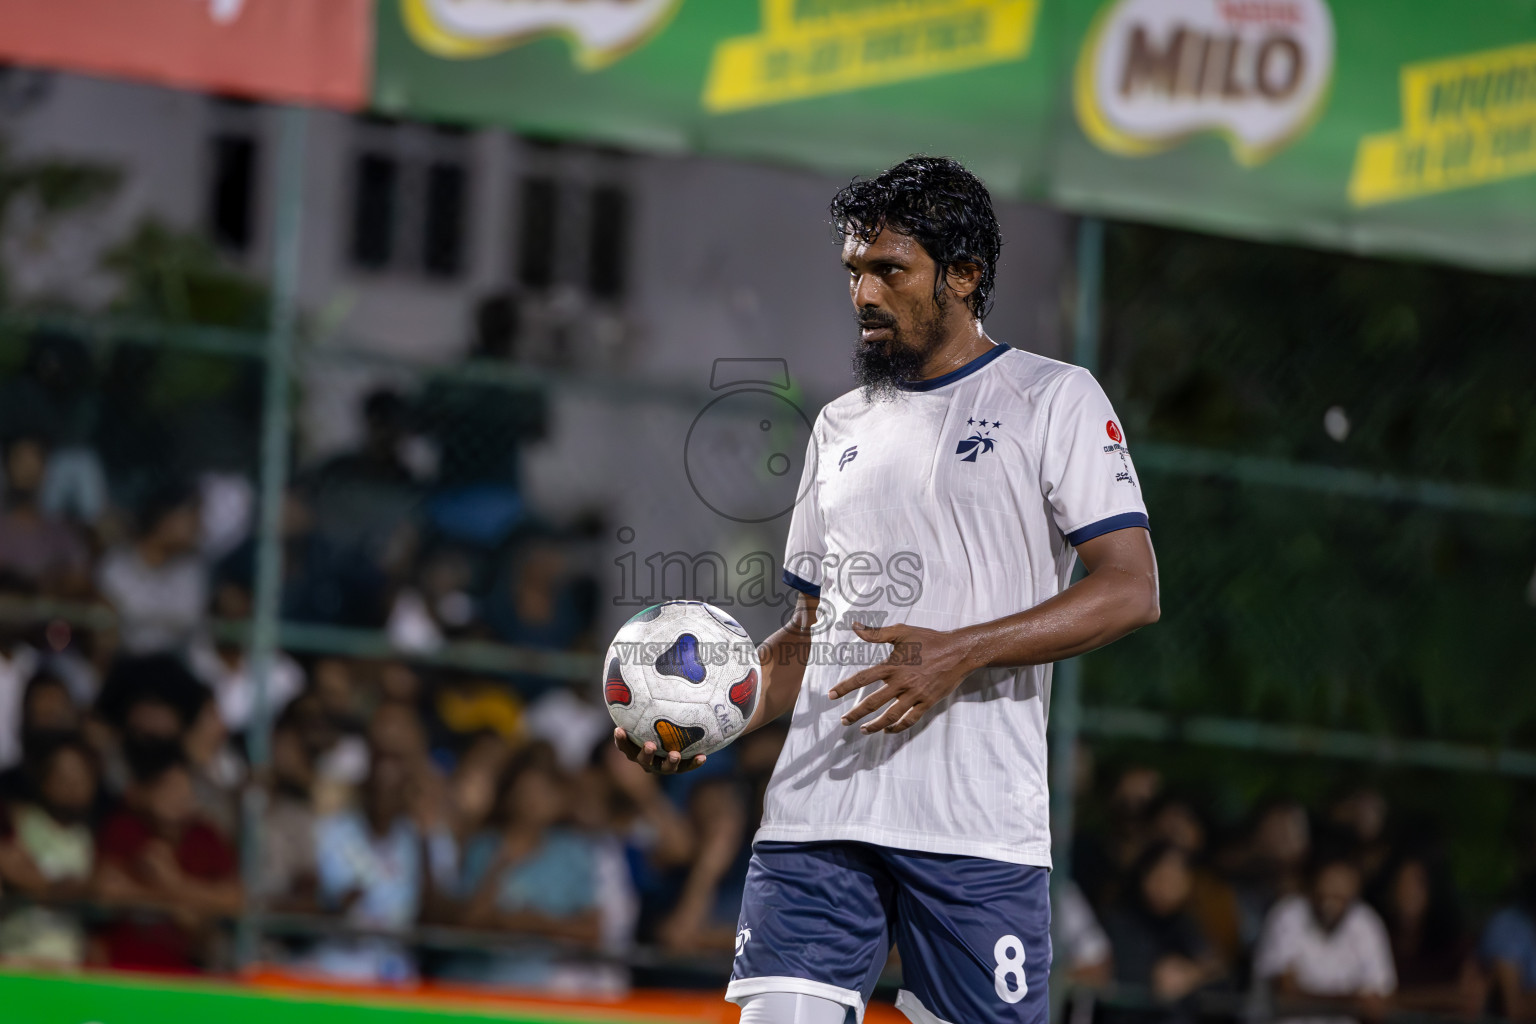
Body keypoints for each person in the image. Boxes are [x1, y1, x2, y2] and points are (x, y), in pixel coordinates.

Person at [615, 156, 1161, 1024]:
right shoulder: (840, 425)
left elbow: (1131, 588)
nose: (864, 293)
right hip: (817, 816)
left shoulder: (1052, 398)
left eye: (889, 271)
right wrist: (714, 717)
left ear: (966, 276)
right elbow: (806, 633)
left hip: (973, 828)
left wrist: (957, 653)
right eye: (854, 271)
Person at [307, 752, 455, 983]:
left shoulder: (425, 840)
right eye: (377, 786)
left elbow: (434, 914)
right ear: (365, 788)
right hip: (339, 964)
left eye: (393, 788)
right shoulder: (333, 832)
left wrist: (422, 838)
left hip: (398, 968)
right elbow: (324, 899)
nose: (383, 795)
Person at [93, 744, 242, 972]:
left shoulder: (205, 835)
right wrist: (184, 905)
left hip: (190, 971)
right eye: (168, 787)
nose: (179, 797)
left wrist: (172, 881)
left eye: (185, 787)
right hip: (124, 969)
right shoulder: (124, 829)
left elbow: (233, 899)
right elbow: (108, 889)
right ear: (140, 792)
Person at [1253, 850, 1396, 1024]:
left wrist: (1364, 1003)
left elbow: (1379, 1002)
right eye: (1327, 889)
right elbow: (1286, 997)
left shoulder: (1366, 923)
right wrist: (1353, 1001)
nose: (1331, 902)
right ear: (1313, 885)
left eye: (1340, 894)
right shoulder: (1287, 915)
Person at [0, 736, 97, 965]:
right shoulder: (19, 824)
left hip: (68, 962)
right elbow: (17, 874)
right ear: (44, 778)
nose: (71, 784)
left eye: (79, 776)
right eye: (62, 776)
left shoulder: (89, 838)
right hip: (16, 956)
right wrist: (81, 890)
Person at [1103, 842, 1225, 1015]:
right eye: (1160, 878)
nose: (1166, 888)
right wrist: (1154, 975)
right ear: (1144, 876)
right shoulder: (1120, 919)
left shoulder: (1186, 923)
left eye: (1175, 880)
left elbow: (1216, 967)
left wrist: (1192, 974)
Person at [97, 485, 208, 655]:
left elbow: (186, 622)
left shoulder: (191, 570)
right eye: (192, 517)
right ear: (166, 519)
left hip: (174, 665)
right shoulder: (116, 565)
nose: (199, 527)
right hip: (123, 664)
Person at [0, 435, 91, 597]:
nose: (28, 471)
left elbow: (79, 579)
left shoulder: (60, 531)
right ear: (7, 467)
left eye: (35, 461)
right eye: (20, 461)